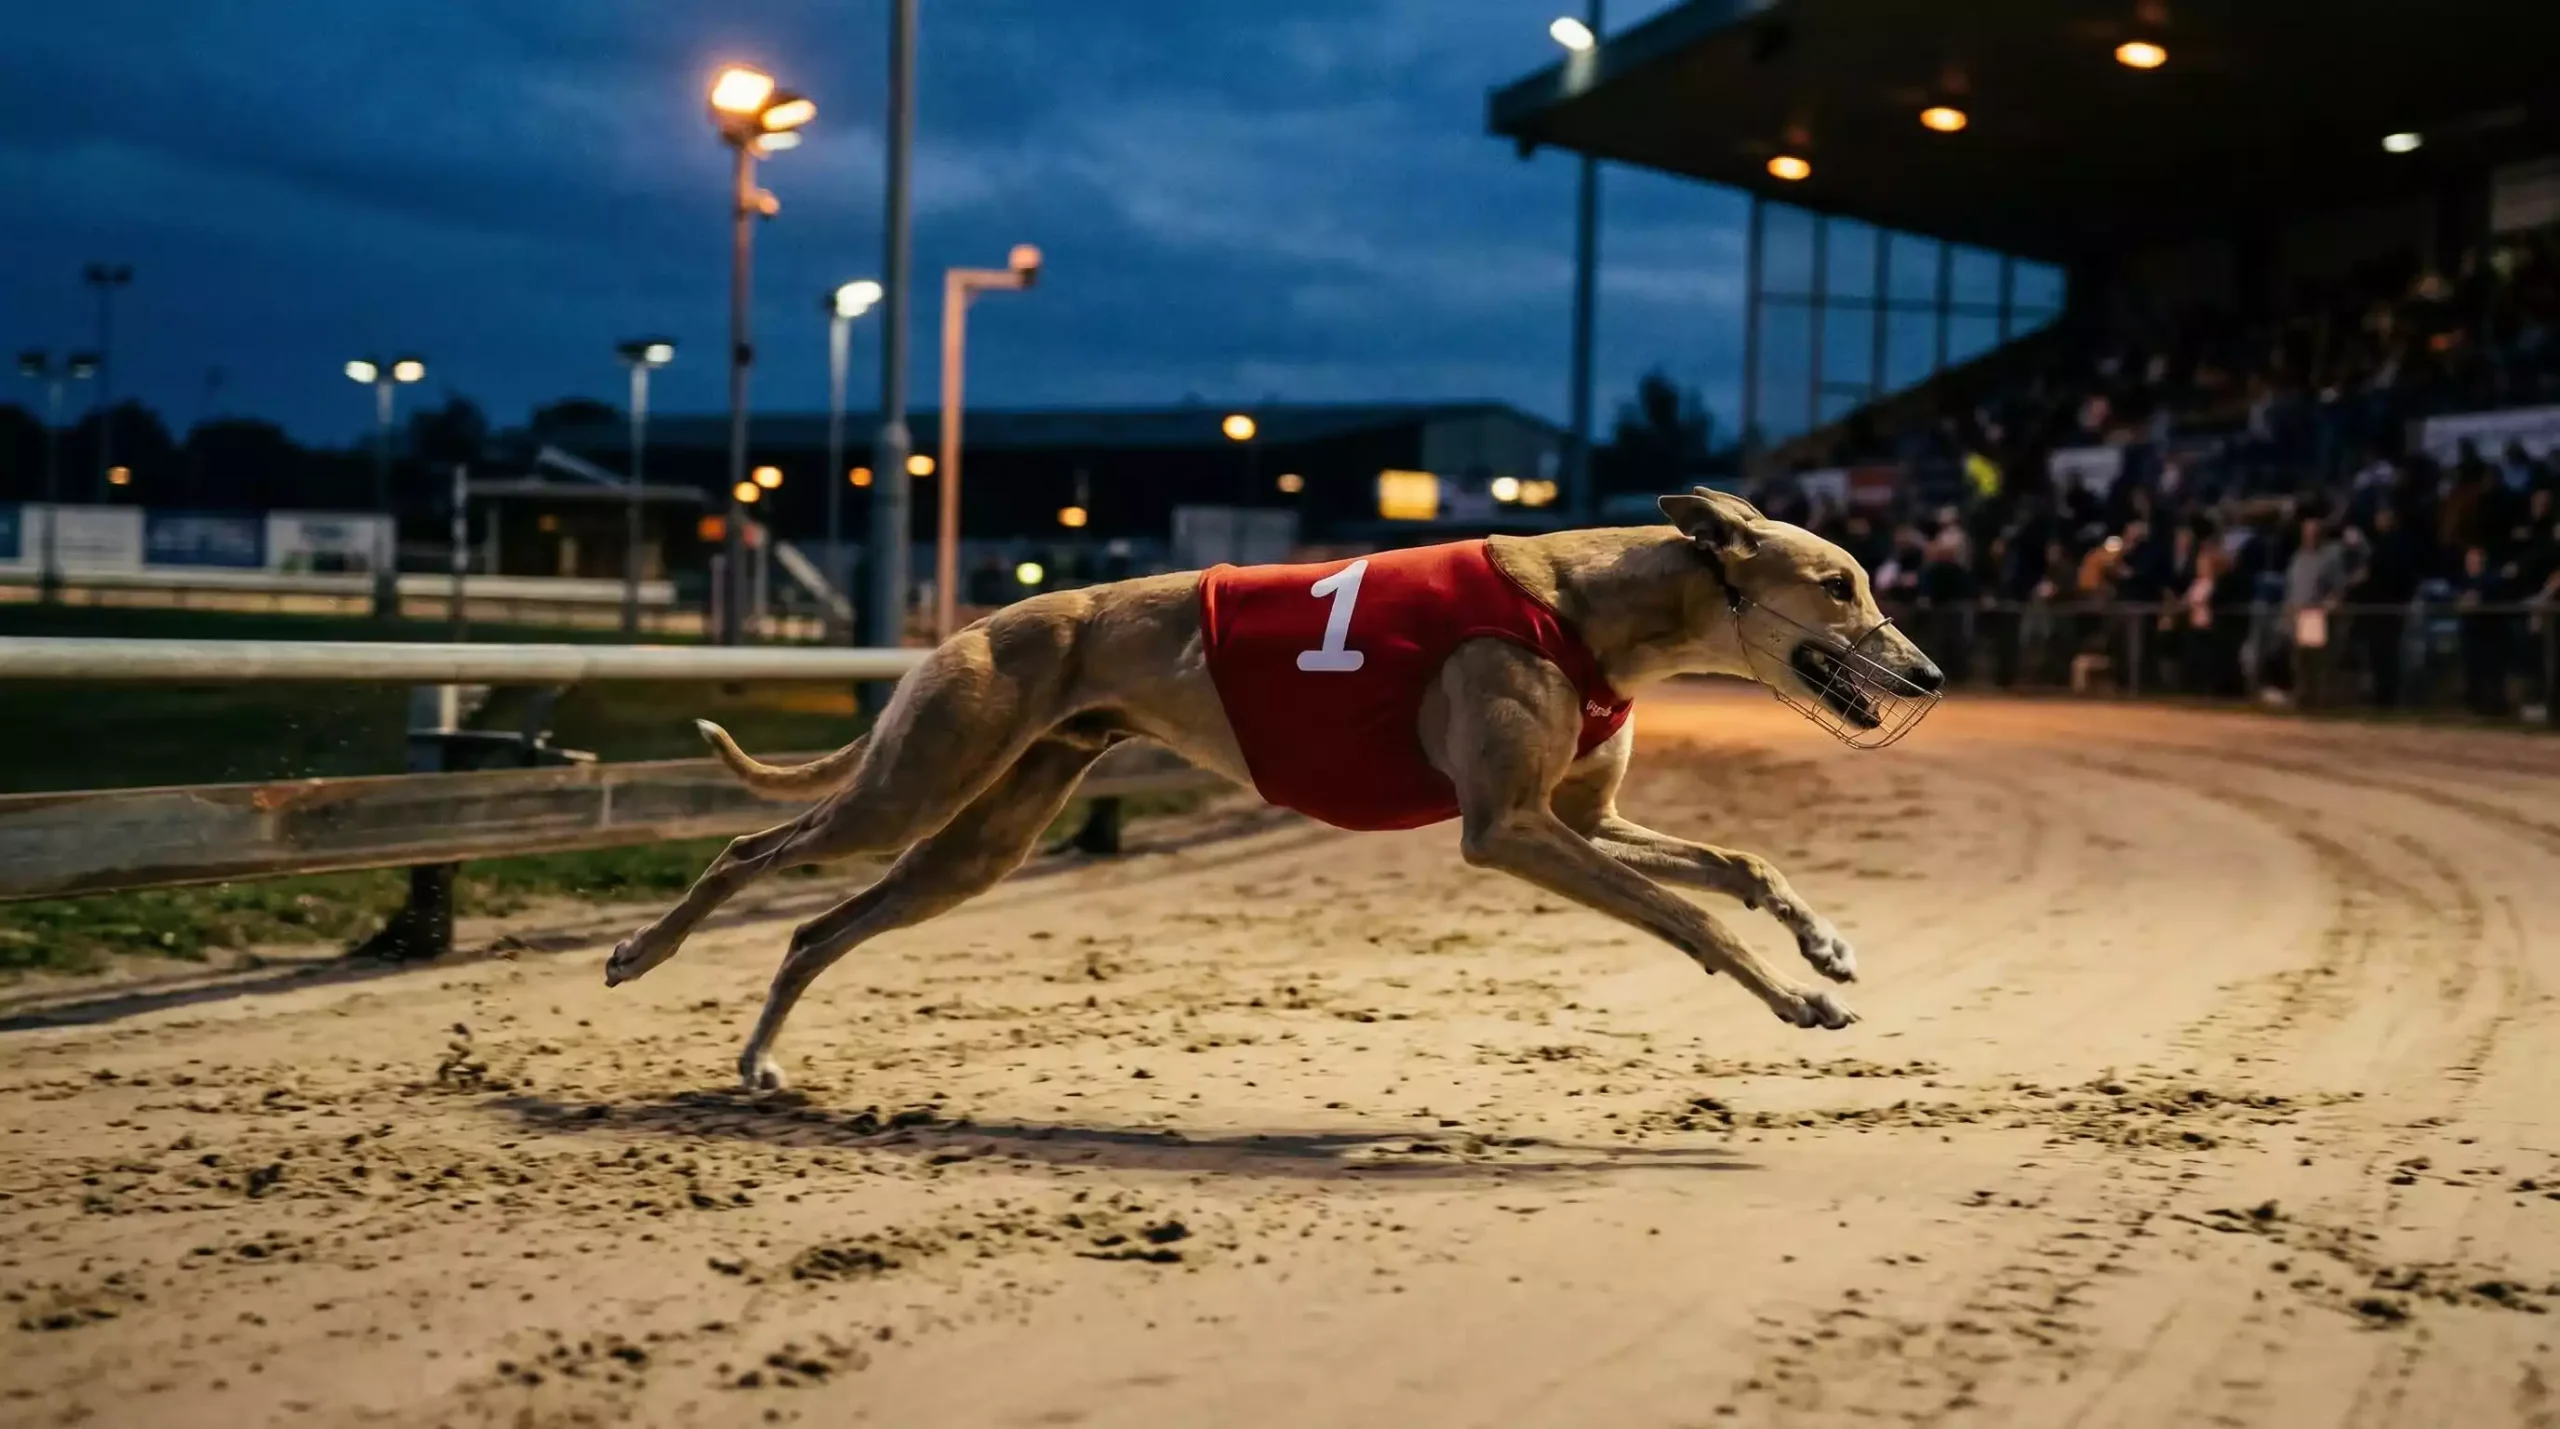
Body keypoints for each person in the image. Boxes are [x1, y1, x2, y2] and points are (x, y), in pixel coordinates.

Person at [2349, 505, 2419, 709]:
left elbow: (2380, 574)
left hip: (2387, 608)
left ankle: (2386, 697)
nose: (2378, 521)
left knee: (2385, 655)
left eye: (2382, 517)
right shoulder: (2381, 545)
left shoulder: (2394, 545)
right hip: (2381, 607)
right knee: (2379, 655)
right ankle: (2383, 696)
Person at [2282, 517, 2350, 707]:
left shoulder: (2329, 559)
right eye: (2307, 532)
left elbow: (2337, 589)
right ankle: (2302, 695)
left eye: (2314, 533)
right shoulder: (2298, 558)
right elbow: (2290, 587)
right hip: (2297, 614)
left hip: (2316, 616)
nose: (2310, 536)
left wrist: (2328, 608)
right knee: (2299, 660)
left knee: (2317, 660)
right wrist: (2288, 608)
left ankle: (2319, 699)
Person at [2456, 544, 2513, 717]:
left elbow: (2489, 595)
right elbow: (2460, 602)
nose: (2471, 564)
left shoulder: (2492, 579)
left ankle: (2496, 708)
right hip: (2471, 634)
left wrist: (2477, 598)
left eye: (2475, 561)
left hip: (2491, 635)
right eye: (2469, 561)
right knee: (2473, 671)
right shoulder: (2463, 580)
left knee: (2493, 673)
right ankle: (2474, 706)